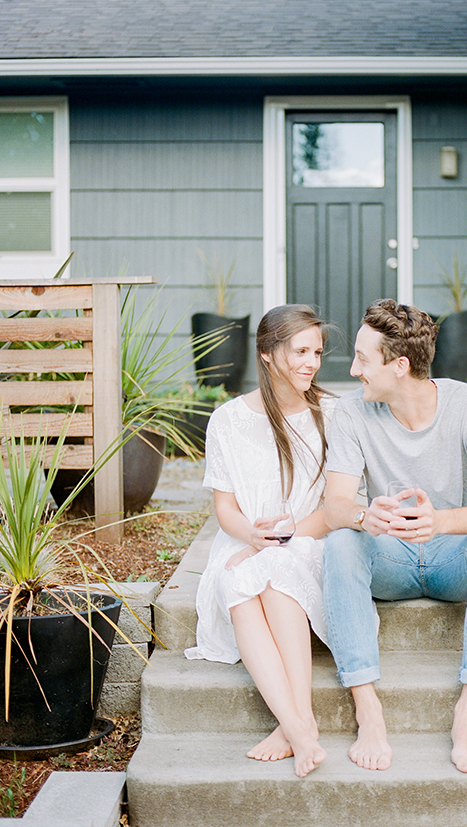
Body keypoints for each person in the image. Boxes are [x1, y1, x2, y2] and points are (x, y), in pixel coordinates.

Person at [322, 299, 467, 775]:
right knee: (341, 541)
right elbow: (334, 507)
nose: (352, 370)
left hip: (452, 558)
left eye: (363, 360)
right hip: (389, 558)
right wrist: (365, 516)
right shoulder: (350, 413)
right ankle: (367, 708)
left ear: (400, 365)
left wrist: (442, 522)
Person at [185, 304, 335, 778]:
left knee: (271, 570)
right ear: (268, 353)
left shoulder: (332, 414)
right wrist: (251, 534)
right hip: (248, 540)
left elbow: (336, 508)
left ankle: (294, 723)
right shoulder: (228, 419)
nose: (311, 362)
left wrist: (281, 539)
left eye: (317, 352)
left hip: (312, 539)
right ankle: (298, 724)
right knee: (239, 576)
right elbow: (225, 507)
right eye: (300, 351)